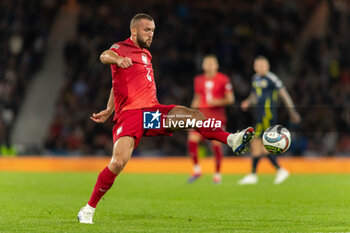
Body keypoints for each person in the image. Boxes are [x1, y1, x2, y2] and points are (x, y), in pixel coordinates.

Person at [77, 13, 254, 224]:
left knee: (194, 116)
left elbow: (118, 83)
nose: (151, 34)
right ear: (134, 31)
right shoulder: (121, 48)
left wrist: (108, 108)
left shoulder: (146, 55)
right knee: (118, 162)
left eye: (153, 30)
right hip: (131, 115)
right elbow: (104, 56)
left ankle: (231, 140)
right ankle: (88, 209)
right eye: (147, 30)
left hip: (152, 114)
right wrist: (117, 60)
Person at [238, 56, 301, 185]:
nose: (260, 67)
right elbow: (255, 95)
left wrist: (292, 112)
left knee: (260, 143)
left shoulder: (272, 78)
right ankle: (262, 173)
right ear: (255, 67)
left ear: (268, 67)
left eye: (263, 65)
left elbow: (284, 94)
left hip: (268, 114)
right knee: (256, 143)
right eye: (258, 65)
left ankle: (265, 172)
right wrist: (248, 102)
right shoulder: (255, 78)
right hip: (259, 114)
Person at [187, 54, 234, 184]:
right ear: (203, 65)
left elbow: (230, 99)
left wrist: (216, 101)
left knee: (216, 145)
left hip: (216, 118)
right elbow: (197, 97)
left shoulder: (223, 79)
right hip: (201, 117)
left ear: (217, 65)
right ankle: (197, 170)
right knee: (192, 140)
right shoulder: (198, 79)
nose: (209, 66)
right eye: (206, 63)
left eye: (212, 63)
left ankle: (217, 175)